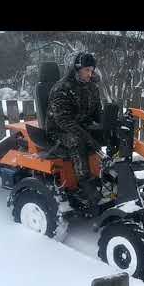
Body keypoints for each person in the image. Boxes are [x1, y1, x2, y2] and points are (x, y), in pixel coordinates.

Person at [45, 52, 103, 211]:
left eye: (92, 70)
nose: (90, 74)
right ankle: (84, 183)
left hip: (80, 126)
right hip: (58, 130)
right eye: (87, 70)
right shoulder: (61, 88)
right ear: (77, 69)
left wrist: (106, 124)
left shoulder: (91, 87)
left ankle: (112, 173)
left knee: (107, 134)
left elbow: (97, 112)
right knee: (77, 140)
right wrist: (87, 137)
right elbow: (63, 121)